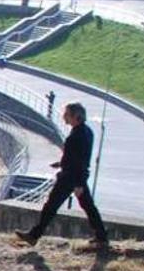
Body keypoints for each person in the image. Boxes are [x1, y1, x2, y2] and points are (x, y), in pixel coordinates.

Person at [16, 102, 108, 247]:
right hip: (76, 176)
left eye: (66, 114)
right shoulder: (86, 131)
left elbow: (79, 161)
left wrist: (78, 183)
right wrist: (61, 164)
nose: (63, 117)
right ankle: (102, 236)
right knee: (89, 207)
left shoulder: (76, 136)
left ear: (75, 117)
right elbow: (77, 157)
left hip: (71, 178)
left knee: (50, 207)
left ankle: (34, 236)